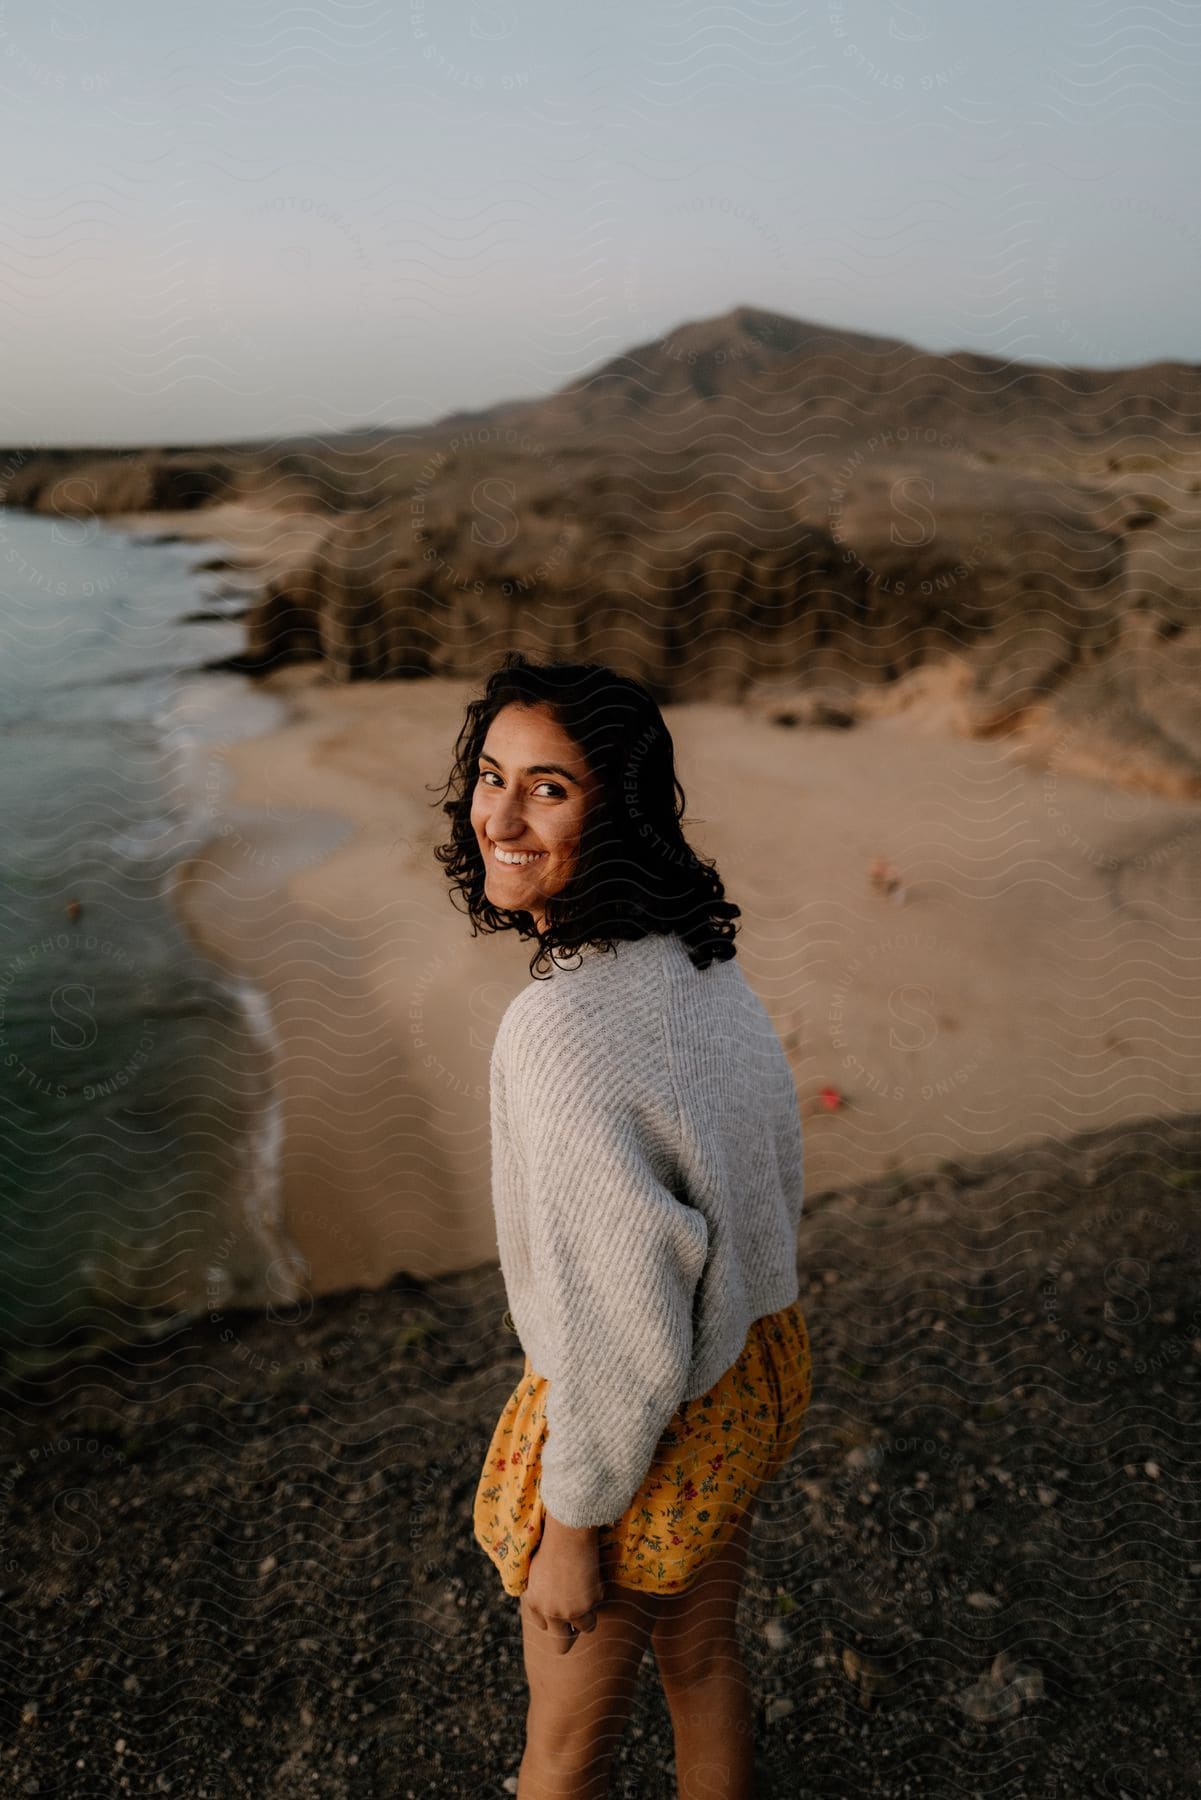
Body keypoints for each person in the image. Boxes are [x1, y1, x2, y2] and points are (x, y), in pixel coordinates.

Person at [432, 652, 812, 1800]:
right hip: (747, 1372)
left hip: (638, 1429)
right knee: (699, 1662)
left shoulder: (561, 1030)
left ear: (618, 808)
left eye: (549, 787)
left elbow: (623, 1313)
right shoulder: (699, 963)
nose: (499, 813)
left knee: (560, 1758)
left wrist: (574, 1526)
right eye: (491, 776)